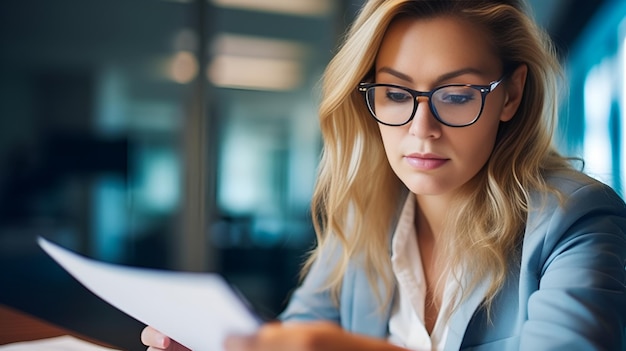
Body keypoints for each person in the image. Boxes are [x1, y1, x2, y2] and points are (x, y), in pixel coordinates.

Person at [142, 0, 626, 350]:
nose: (422, 130)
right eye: (396, 95)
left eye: (456, 95)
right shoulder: (363, 214)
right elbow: (300, 334)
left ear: (512, 95)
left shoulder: (578, 220)